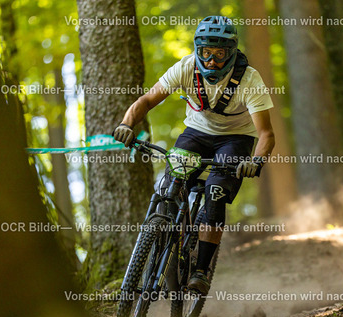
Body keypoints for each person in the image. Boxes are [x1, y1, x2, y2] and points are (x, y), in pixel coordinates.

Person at [113, 15, 275, 295]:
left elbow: (266, 134)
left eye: (219, 54)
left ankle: (200, 270)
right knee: (171, 183)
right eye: (205, 52)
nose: (211, 61)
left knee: (215, 192)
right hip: (197, 132)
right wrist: (126, 125)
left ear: (231, 52)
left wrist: (255, 161)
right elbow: (147, 100)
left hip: (236, 138)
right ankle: (164, 238)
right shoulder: (186, 67)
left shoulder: (249, 79)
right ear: (197, 50)